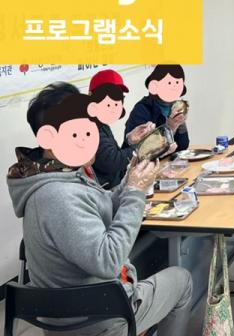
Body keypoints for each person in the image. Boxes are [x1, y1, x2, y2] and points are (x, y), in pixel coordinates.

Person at [6, 82, 192, 335]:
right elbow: (109, 261)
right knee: (182, 279)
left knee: (144, 257)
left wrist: (130, 180)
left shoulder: (56, 175)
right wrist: (136, 192)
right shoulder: (57, 196)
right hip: (97, 319)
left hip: (78, 310)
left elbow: (102, 203)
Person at [87, 69, 156, 189]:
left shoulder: (101, 123)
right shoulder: (88, 125)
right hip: (105, 194)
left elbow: (116, 160)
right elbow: (111, 161)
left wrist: (130, 141)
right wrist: (143, 148)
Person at [124, 64, 189, 153]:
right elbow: (142, 151)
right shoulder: (141, 109)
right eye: (169, 83)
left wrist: (181, 124)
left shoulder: (175, 107)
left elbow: (183, 146)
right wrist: (170, 128)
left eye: (177, 83)